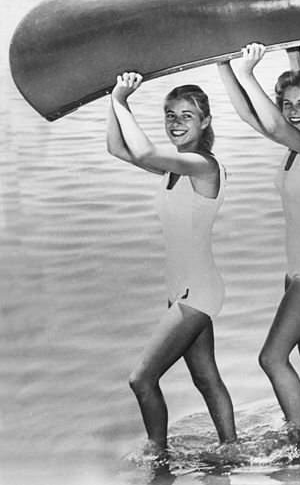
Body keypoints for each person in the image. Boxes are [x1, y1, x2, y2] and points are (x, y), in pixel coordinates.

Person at [106, 73, 236, 453]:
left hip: (198, 291)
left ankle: (157, 455)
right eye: (169, 115)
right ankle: (230, 448)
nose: (176, 122)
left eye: (186, 116)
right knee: (205, 377)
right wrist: (116, 102)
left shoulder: (201, 165)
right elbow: (117, 148)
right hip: (183, 288)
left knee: (142, 379)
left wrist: (119, 95)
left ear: (206, 122)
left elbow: (144, 152)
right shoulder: (173, 169)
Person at [219, 46, 300, 425]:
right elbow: (249, 115)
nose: (293, 111)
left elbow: (273, 126)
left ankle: (299, 434)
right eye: (287, 103)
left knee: (271, 357)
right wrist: (223, 66)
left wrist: (249, 71)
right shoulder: (295, 148)